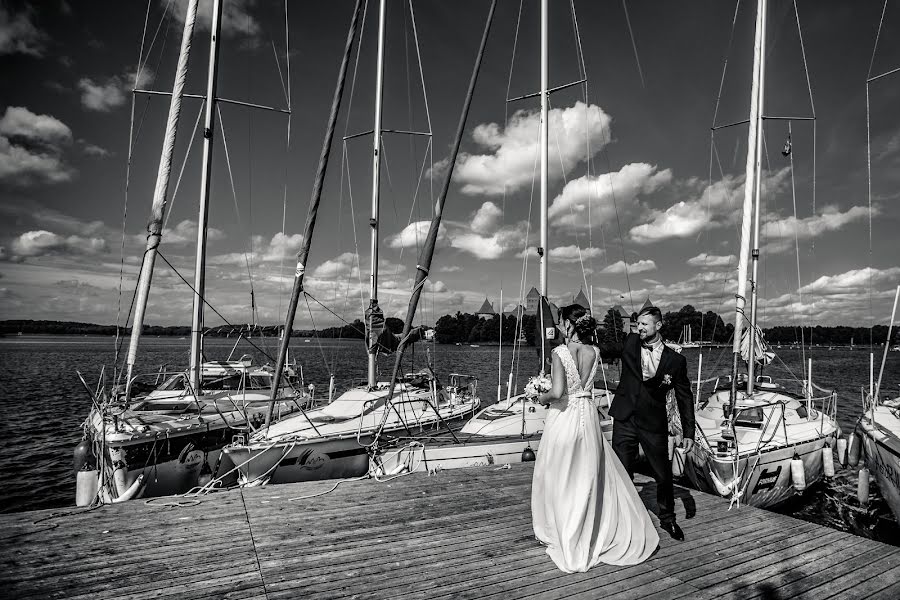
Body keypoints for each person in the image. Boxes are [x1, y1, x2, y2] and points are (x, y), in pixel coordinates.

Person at [531, 304, 659, 573]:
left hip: (564, 417)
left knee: (560, 473)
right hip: (588, 416)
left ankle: (565, 530)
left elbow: (557, 392)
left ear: (569, 324)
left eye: (563, 322)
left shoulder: (559, 352)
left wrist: (538, 397)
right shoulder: (595, 352)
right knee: (587, 474)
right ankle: (591, 525)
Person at [609, 305, 695, 541]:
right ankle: (621, 519)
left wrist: (689, 432)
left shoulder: (675, 361)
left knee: (663, 474)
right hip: (625, 418)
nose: (640, 327)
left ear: (658, 325)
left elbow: (684, 396)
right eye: (638, 324)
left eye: (645, 324)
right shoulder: (630, 342)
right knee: (622, 471)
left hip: (653, 423)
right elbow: (604, 350)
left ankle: (668, 520)